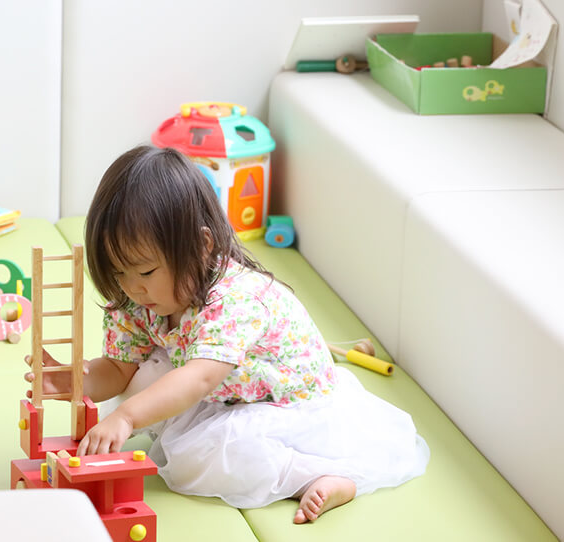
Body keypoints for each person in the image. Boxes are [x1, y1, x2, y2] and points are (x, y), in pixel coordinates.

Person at [28, 145, 429, 524]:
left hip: (285, 406)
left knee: (196, 461)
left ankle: (314, 474)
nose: (133, 287)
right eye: (119, 272)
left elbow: (199, 378)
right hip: (226, 388)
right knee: (139, 383)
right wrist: (74, 380)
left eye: (146, 271)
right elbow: (119, 369)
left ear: (201, 246)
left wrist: (127, 417)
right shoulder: (138, 299)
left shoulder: (234, 299)